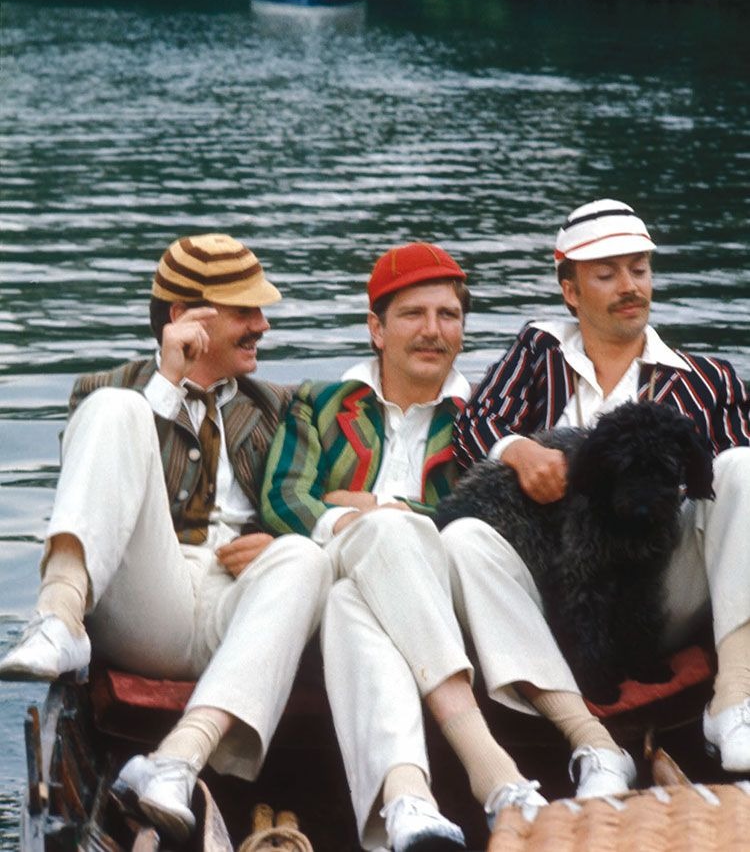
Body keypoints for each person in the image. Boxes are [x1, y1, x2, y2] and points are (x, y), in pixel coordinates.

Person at [0, 234, 333, 840]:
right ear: (186, 317)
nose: (262, 325)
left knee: (306, 557)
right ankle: (59, 615)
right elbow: (97, 491)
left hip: (238, 612)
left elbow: (304, 495)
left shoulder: (281, 407)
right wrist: (166, 385)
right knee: (116, 410)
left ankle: (175, 763)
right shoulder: (103, 391)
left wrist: (278, 537)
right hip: (145, 605)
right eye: (245, 311)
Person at [449, 199, 750, 780]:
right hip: (551, 601)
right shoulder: (538, 351)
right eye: (607, 274)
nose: (629, 286)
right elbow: (474, 426)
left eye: (639, 269)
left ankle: (735, 699)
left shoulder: (706, 378)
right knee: (462, 538)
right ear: (571, 291)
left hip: (661, 587)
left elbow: (739, 505)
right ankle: (586, 740)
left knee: (743, 466)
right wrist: (520, 451)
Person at [262, 243, 546, 852]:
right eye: (414, 314)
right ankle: (491, 775)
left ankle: (408, 804)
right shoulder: (318, 403)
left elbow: (485, 519)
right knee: (360, 572)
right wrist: (360, 525)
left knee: (356, 594)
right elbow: (283, 496)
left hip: (436, 604)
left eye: (448, 315)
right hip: (333, 575)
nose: (432, 330)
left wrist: (382, 511)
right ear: (377, 328)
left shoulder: (482, 424)